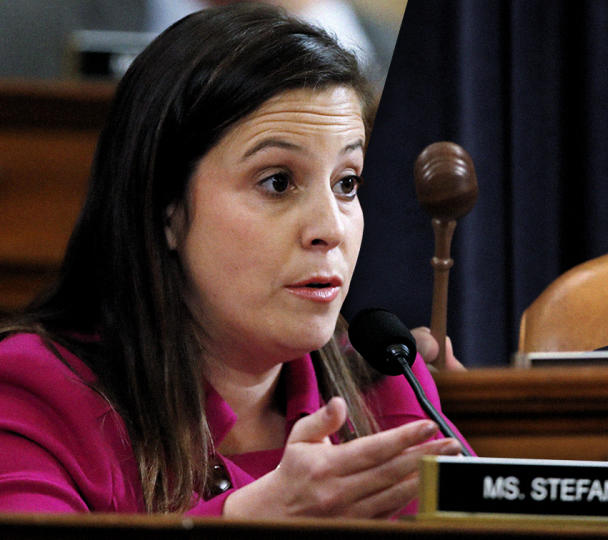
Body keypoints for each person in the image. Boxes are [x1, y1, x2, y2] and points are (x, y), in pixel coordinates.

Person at [0, 4, 468, 516]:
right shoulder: (35, 391)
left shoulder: (387, 386)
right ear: (166, 208)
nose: (330, 229)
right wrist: (243, 523)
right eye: (277, 182)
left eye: (347, 183)